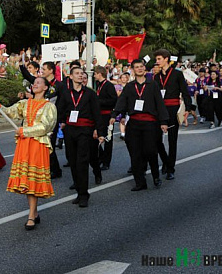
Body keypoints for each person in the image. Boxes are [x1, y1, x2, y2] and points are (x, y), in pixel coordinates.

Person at [0, 77, 57, 230]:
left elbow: (45, 127)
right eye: (34, 82)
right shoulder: (25, 103)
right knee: (26, 179)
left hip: (37, 144)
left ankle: (31, 216)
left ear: (45, 88)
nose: (35, 84)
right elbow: (10, 112)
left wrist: (25, 130)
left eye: (38, 83)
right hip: (24, 144)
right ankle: (34, 212)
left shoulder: (49, 107)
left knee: (33, 179)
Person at [111, 59, 169, 190]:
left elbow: (160, 104)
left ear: (145, 68)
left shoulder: (153, 85)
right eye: (136, 67)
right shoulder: (130, 86)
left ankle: (155, 176)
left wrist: (164, 122)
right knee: (135, 153)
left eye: (141, 66)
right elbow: (121, 102)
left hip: (150, 123)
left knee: (150, 151)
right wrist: (114, 115)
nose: (139, 69)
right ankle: (140, 182)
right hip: (134, 123)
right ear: (133, 70)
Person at [62, 67, 105, 208]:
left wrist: (99, 131)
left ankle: (84, 194)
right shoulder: (66, 93)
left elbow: (97, 113)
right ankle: (79, 192)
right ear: (71, 76)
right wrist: (61, 123)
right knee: (73, 162)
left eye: (82, 74)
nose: (80, 76)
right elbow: (59, 109)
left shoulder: (90, 94)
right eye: (77, 73)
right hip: (70, 131)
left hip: (84, 131)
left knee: (82, 162)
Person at [153, 49, 191, 180]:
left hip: (173, 108)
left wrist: (187, 108)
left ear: (166, 59)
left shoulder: (177, 74)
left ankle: (170, 169)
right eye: (156, 59)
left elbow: (185, 91)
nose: (157, 62)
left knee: (172, 140)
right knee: (157, 139)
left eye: (159, 59)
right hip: (159, 110)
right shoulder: (156, 77)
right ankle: (165, 161)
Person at [94, 65, 118, 171]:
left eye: (95, 74)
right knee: (97, 136)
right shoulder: (98, 85)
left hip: (107, 114)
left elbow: (113, 100)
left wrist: (99, 101)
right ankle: (101, 157)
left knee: (108, 138)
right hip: (99, 115)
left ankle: (106, 162)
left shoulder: (108, 85)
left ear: (100, 74)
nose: (94, 76)